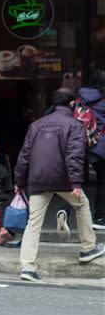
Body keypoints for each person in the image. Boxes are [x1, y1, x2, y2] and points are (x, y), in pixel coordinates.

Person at [14, 88, 105, 282]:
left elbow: (24, 156)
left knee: (33, 222)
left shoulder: (36, 125)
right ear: (72, 104)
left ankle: (27, 268)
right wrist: (76, 182)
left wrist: (19, 181)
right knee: (82, 205)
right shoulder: (74, 125)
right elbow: (74, 156)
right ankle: (88, 248)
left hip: (37, 180)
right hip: (62, 179)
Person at [79, 69, 105, 229]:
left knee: (73, 181)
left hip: (79, 143)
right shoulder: (103, 101)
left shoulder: (80, 97)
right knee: (102, 181)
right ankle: (100, 214)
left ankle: (66, 212)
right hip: (100, 145)